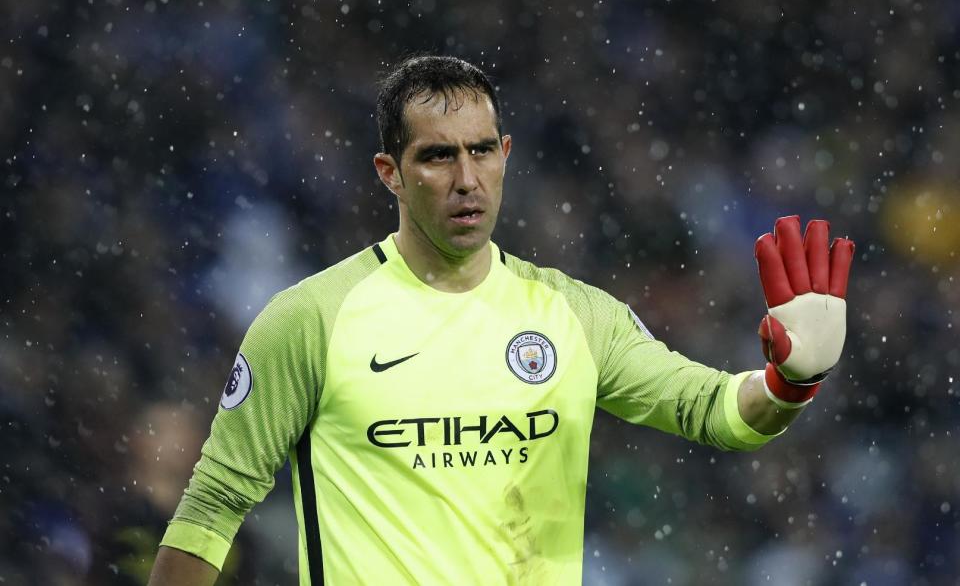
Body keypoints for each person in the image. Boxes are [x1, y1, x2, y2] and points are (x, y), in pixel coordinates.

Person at [147, 55, 854, 585]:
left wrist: (791, 382)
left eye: (482, 151)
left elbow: (713, 411)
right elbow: (212, 505)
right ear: (390, 172)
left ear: (505, 155)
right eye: (437, 156)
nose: (466, 178)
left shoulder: (573, 316)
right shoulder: (309, 321)